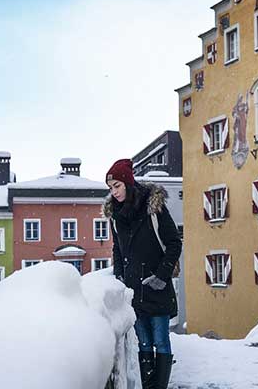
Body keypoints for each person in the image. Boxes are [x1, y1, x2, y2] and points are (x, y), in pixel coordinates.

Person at [103, 159, 182, 389]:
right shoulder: (116, 215)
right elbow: (117, 248)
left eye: (116, 185)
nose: (113, 192)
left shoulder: (153, 207)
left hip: (156, 288)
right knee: (144, 343)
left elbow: (174, 243)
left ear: (127, 182)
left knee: (161, 341)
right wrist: (119, 276)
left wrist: (161, 276)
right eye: (110, 188)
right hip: (133, 290)